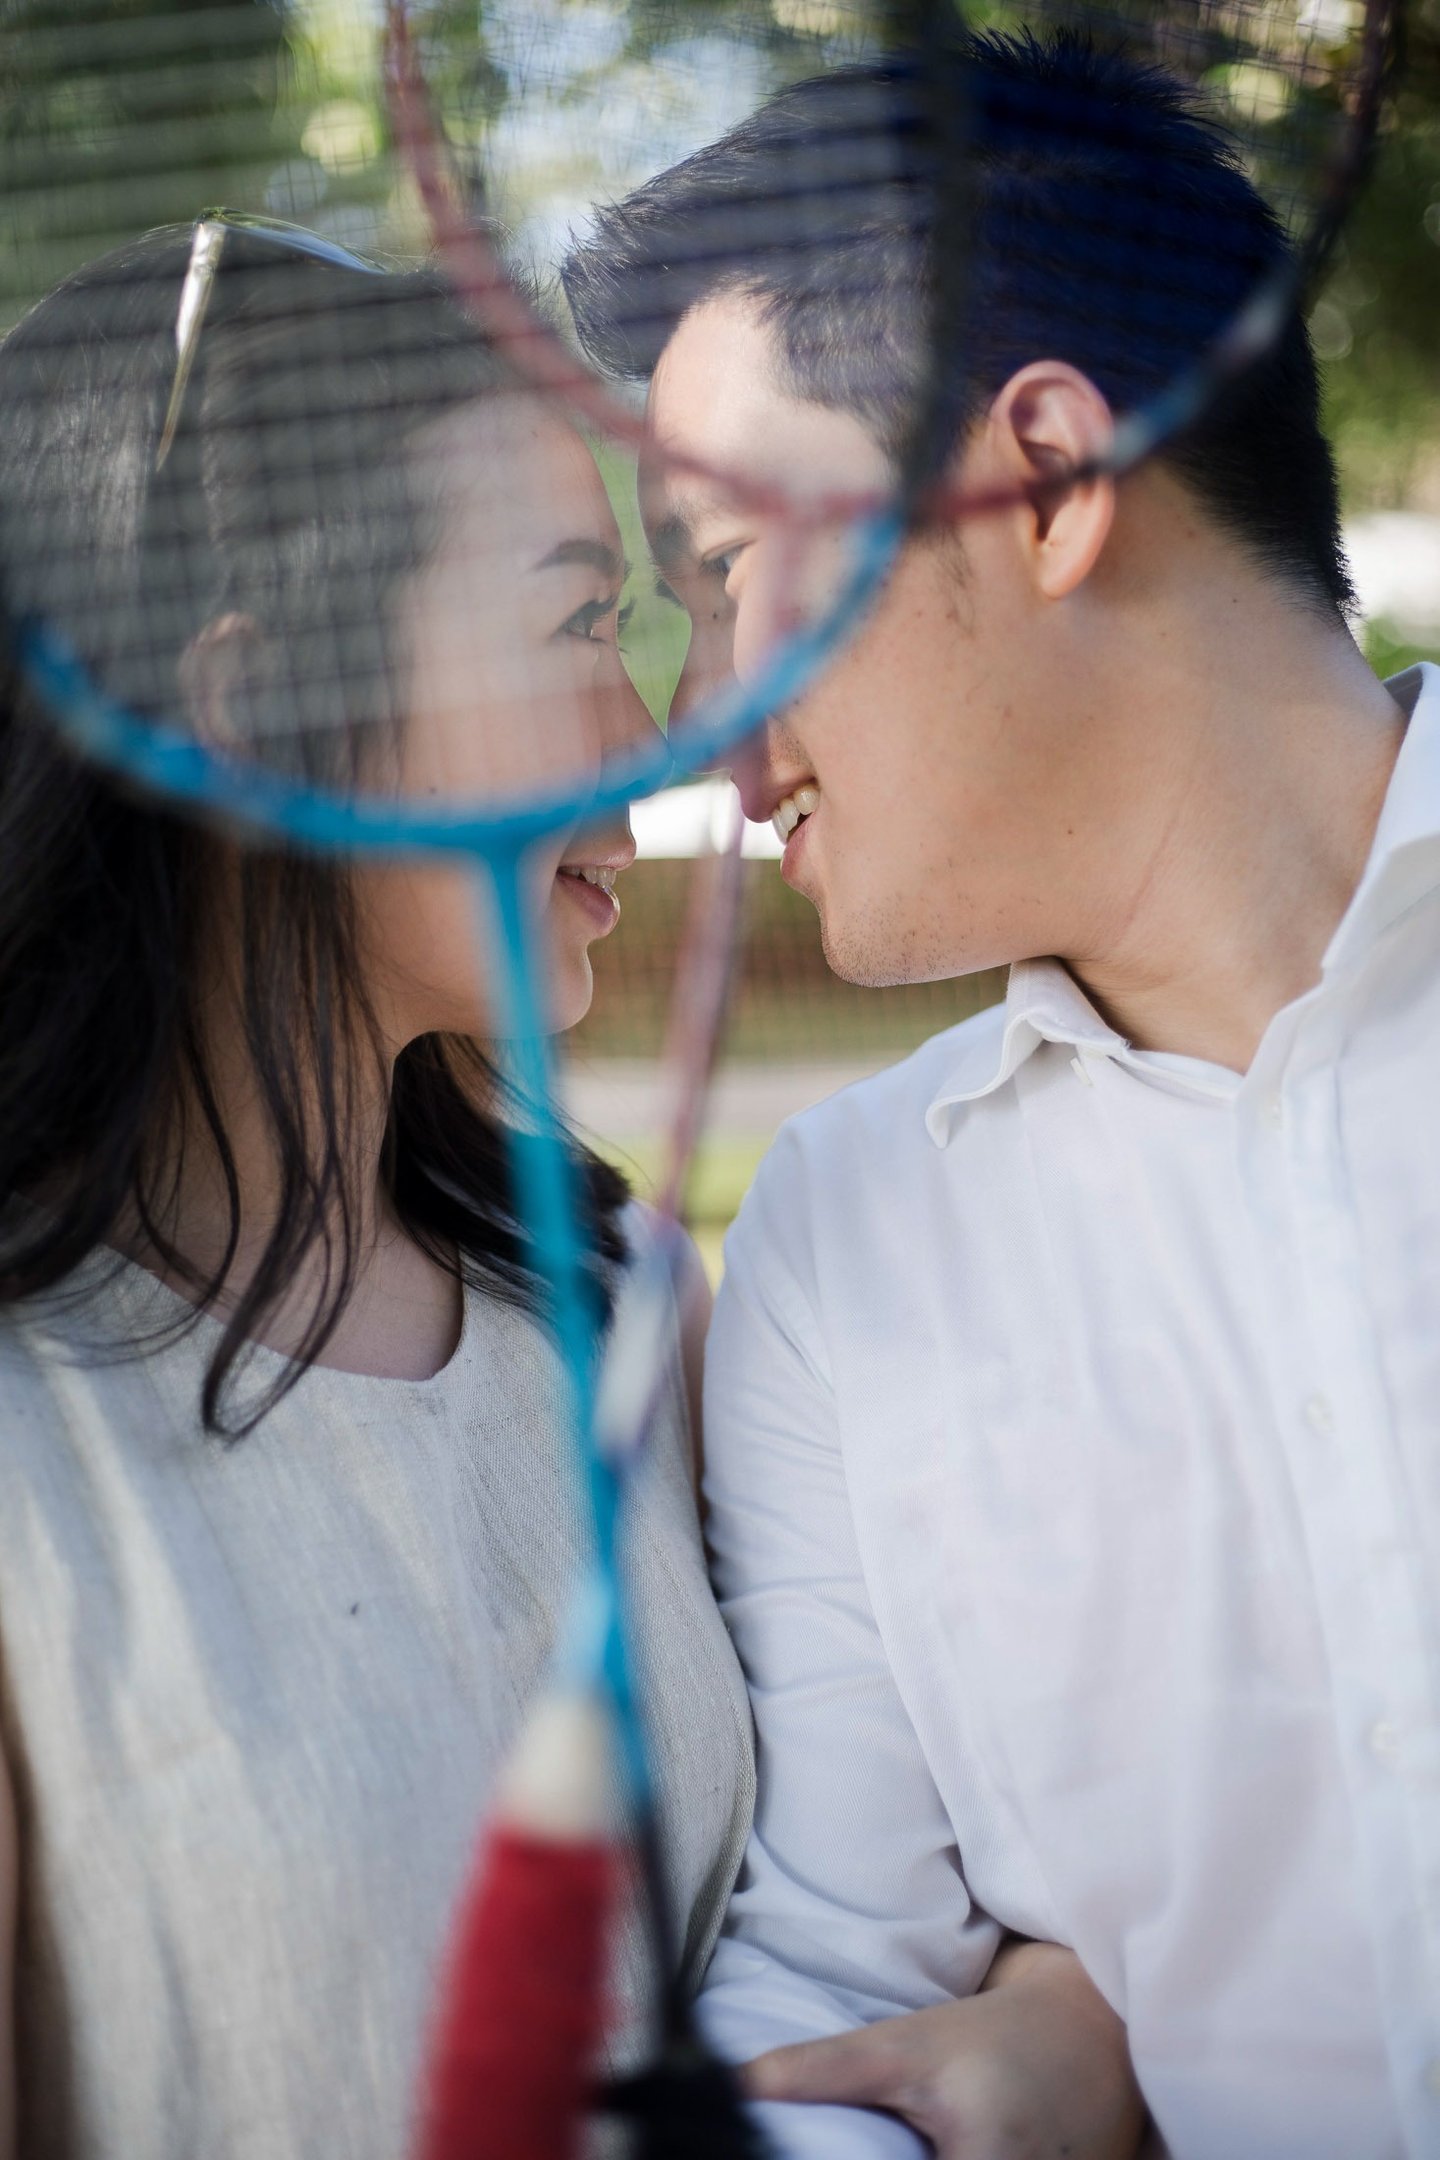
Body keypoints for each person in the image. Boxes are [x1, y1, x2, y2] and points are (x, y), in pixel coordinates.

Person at [0, 223, 1140, 2159]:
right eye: (573, 624)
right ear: (251, 706)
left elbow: (875, 1921)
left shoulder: (633, 1308)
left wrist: (1056, 2025)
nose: (658, 730)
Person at [563, 28, 1440, 2160]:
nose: (700, 724)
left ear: (1040, 480)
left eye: (721, 572)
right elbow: (837, 1990)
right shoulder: (840, 1252)